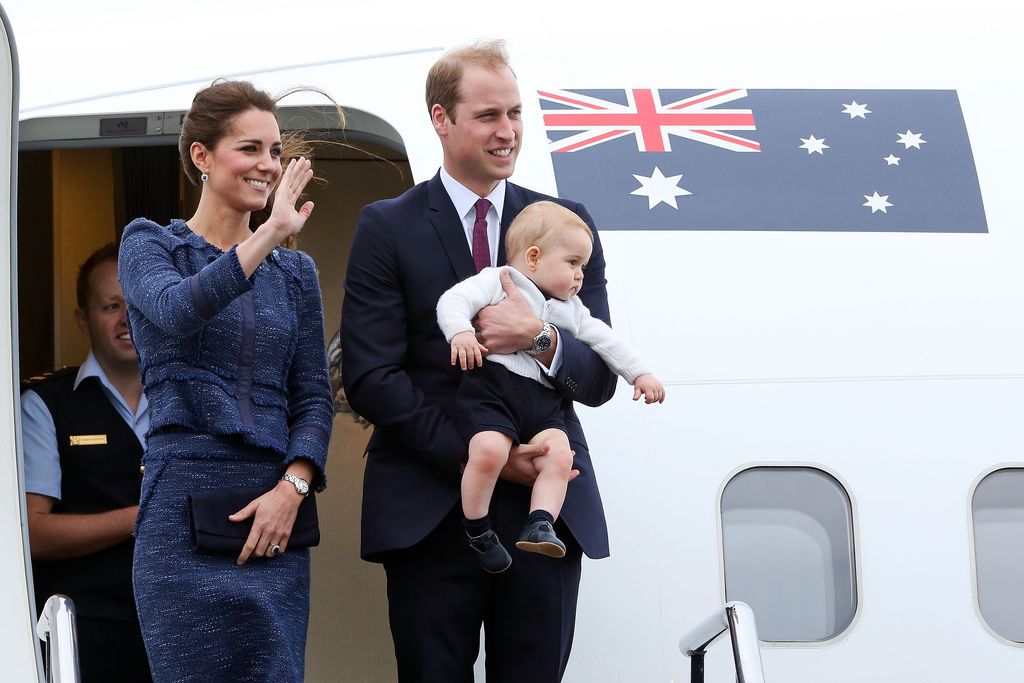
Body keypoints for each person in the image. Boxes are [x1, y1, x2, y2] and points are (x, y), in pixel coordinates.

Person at [342, 40, 618, 681]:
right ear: (440, 119)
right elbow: (371, 377)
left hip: (544, 513)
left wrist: (539, 338)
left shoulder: (566, 224)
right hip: (430, 504)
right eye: (489, 115)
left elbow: (600, 374)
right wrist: (480, 457)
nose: (508, 131)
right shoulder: (387, 226)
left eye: (515, 113)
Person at [117, 80, 334, 682]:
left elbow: (313, 398)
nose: (268, 165)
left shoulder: (296, 272)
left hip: (275, 514)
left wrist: (293, 487)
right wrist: (269, 235)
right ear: (202, 156)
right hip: (180, 509)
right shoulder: (149, 243)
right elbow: (179, 310)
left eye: (275, 151)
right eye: (250, 148)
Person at [437, 200, 665, 572]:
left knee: (560, 456)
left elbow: (606, 342)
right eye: (573, 263)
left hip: (542, 402)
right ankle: (478, 528)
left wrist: (640, 373)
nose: (580, 276)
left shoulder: (573, 309)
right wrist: (460, 332)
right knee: (489, 451)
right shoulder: (500, 280)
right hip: (493, 392)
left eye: (583, 267)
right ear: (533, 257)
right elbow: (454, 300)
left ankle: (541, 522)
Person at [22, 242, 151, 682]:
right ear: (83, 320)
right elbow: (33, 533)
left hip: (177, 624)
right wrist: (138, 518)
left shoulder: (184, 402)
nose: (127, 319)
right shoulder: (45, 405)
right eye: (111, 306)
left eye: (136, 305)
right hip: (85, 635)